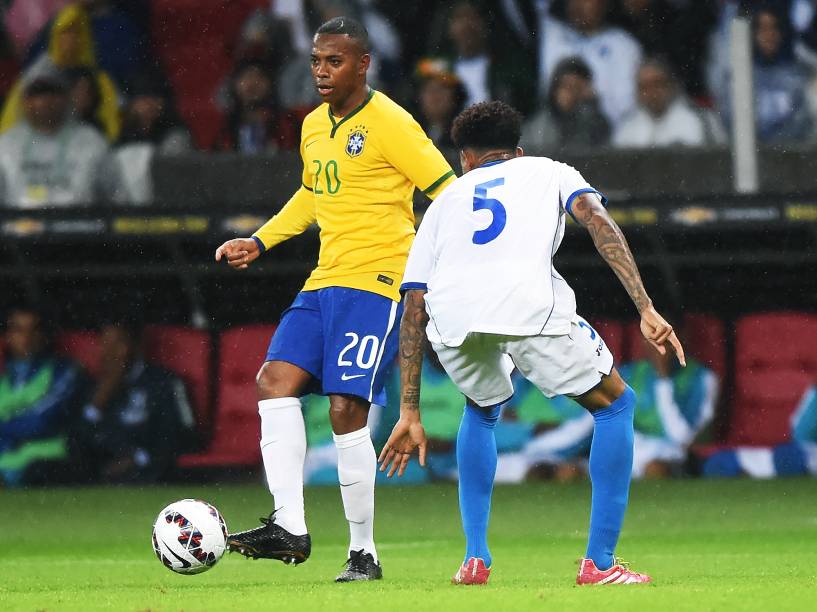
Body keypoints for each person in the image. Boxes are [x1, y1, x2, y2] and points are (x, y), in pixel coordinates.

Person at [379, 101, 684, 586]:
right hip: (527, 308)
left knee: (479, 409)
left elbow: (413, 300)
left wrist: (409, 408)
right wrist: (645, 307)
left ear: (466, 159)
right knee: (616, 405)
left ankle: (475, 558)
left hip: (453, 317)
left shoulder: (445, 202)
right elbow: (599, 223)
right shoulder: (550, 171)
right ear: (517, 152)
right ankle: (599, 564)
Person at [214, 16, 455, 583]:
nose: (321, 72)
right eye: (317, 61)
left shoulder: (393, 123)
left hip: (376, 283)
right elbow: (312, 193)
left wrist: (432, 267)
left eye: (335, 61)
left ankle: (363, 553)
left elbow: (447, 191)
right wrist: (260, 239)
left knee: (346, 409)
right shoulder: (313, 125)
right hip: (324, 280)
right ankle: (290, 528)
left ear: (363, 64)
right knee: (273, 381)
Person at [75, 317, 196, 483]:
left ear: (136, 346)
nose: (111, 352)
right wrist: (98, 402)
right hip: (102, 467)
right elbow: (77, 440)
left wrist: (139, 457)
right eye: (105, 344)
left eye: (118, 344)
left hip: (151, 467)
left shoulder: (164, 382)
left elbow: (184, 434)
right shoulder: (93, 385)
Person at [1, 3, 120, 141]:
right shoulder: (35, 78)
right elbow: (10, 125)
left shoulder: (100, 81)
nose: (71, 40)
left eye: (77, 33)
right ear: (55, 36)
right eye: (65, 33)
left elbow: (112, 128)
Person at [0, 68, 110, 208]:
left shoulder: (92, 142)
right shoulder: (5, 144)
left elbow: (118, 199)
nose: (44, 100)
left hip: (81, 226)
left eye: (53, 92)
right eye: (36, 94)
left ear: (66, 98)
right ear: (23, 101)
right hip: (17, 227)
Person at [0, 305, 83, 487]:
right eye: (18, 330)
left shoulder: (64, 371)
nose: (26, 338)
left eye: (33, 330)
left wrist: (5, 432)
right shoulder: (4, 378)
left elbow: (42, 422)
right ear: (7, 335)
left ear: (44, 335)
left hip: (44, 462)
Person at [624, 333, 719, 478]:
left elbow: (682, 439)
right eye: (652, 340)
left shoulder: (702, 378)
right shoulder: (629, 374)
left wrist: (664, 380)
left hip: (670, 454)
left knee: (655, 471)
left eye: (665, 341)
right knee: (576, 471)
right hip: (629, 450)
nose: (659, 348)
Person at [539, 0, 643, 126]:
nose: (578, 5)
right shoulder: (553, 37)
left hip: (610, 134)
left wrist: (590, 97)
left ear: (603, 5)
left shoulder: (624, 45)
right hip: (556, 132)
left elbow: (627, 105)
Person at [703, 384, 817, 478]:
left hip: (798, 457)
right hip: (797, 453)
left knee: (790, 458)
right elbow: (799, 433)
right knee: (720, 463)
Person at [614, 57, 726, 149]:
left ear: (672, 84)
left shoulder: (701, 119)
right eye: (644, 87)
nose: (652, 92)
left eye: (657, 83)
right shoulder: (626, 128)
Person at [520, 56, 610, 153]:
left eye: (578, 88)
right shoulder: (536, 130)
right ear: (554, 90)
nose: (573, 93)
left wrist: (591, 107)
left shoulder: (595, 124)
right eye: (568, 87)